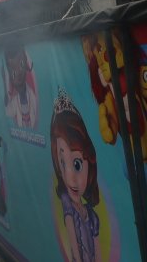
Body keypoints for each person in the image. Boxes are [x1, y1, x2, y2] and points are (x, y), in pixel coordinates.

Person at [51, 88, 100, 262]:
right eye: (62, 163)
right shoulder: (67, 203)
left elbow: (98, 254)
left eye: (77, 164)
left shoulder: (92, 216)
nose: (70, 177)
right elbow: (73, 240)